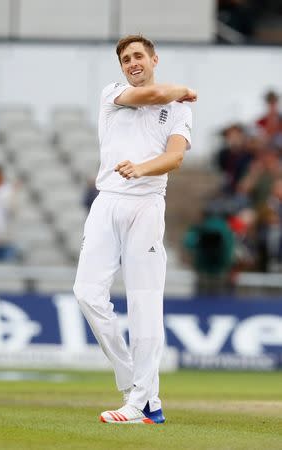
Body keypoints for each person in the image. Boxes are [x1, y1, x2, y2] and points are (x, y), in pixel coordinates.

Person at [73, 34, 197, 424]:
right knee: (87, 294)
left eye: (138, 55)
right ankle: (140, 392)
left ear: (154, 58)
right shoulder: (114, 93)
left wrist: (142, 169)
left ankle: (140, 402)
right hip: (107, 201)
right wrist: (183, 89)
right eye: (126, 59)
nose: (132, 62)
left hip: (146, 205)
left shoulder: (179, 111)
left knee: (144, 304)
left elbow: (175, 156)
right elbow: (149, 97)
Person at [0, 165, 17, 261]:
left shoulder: (8, 191)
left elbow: (13, 211)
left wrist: (13, 195)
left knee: (8, 271)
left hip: (7, 240)